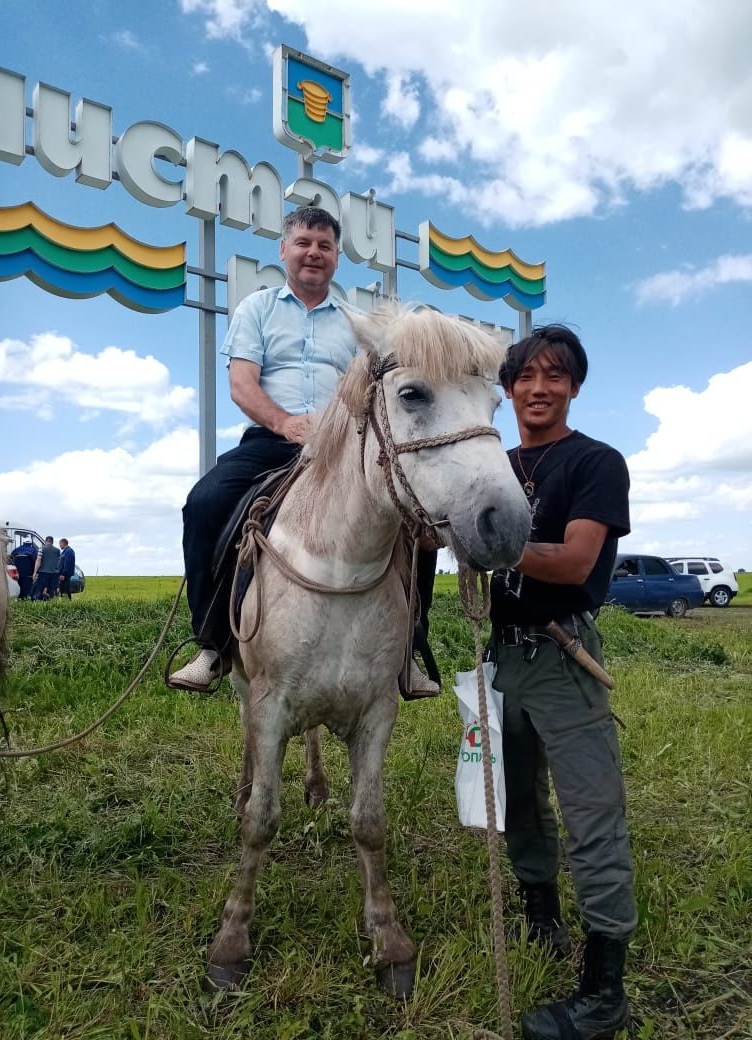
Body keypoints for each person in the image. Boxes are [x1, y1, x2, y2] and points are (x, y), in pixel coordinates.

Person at [169, 205, 439, 697]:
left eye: (325, 245)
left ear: (337, 257)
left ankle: (408, 651)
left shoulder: (360, 326)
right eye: (304, 242)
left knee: (413, 514)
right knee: (204, 503)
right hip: (274, 440)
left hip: (345, 451)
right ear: (284, 250)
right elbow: (241, 384)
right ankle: (210, 644)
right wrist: (285, 422)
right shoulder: (257, 309)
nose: (314, 252)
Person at [487, 325, 635, 1040]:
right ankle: (539, 918)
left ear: (574, 387)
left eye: (555, 376)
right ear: (508, 388)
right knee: (518, 800)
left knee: (590, 813)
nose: (539, 388)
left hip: (564, 651)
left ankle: (605, 990)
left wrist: (485, 540)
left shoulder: (595, 462)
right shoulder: (491, 463)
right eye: (526, 376)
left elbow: (577, 562)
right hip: (503, 658)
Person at [31, 536, 61, 600]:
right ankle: (49, 604)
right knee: (51, 591)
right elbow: (59, 562)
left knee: (39, 590)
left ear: (45, 541)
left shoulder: (42, 548)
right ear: (52, 542)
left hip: (43, 572)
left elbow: (38, 560)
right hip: (54, 573)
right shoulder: (58, 550)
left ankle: (38, 604)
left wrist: (35, 572)